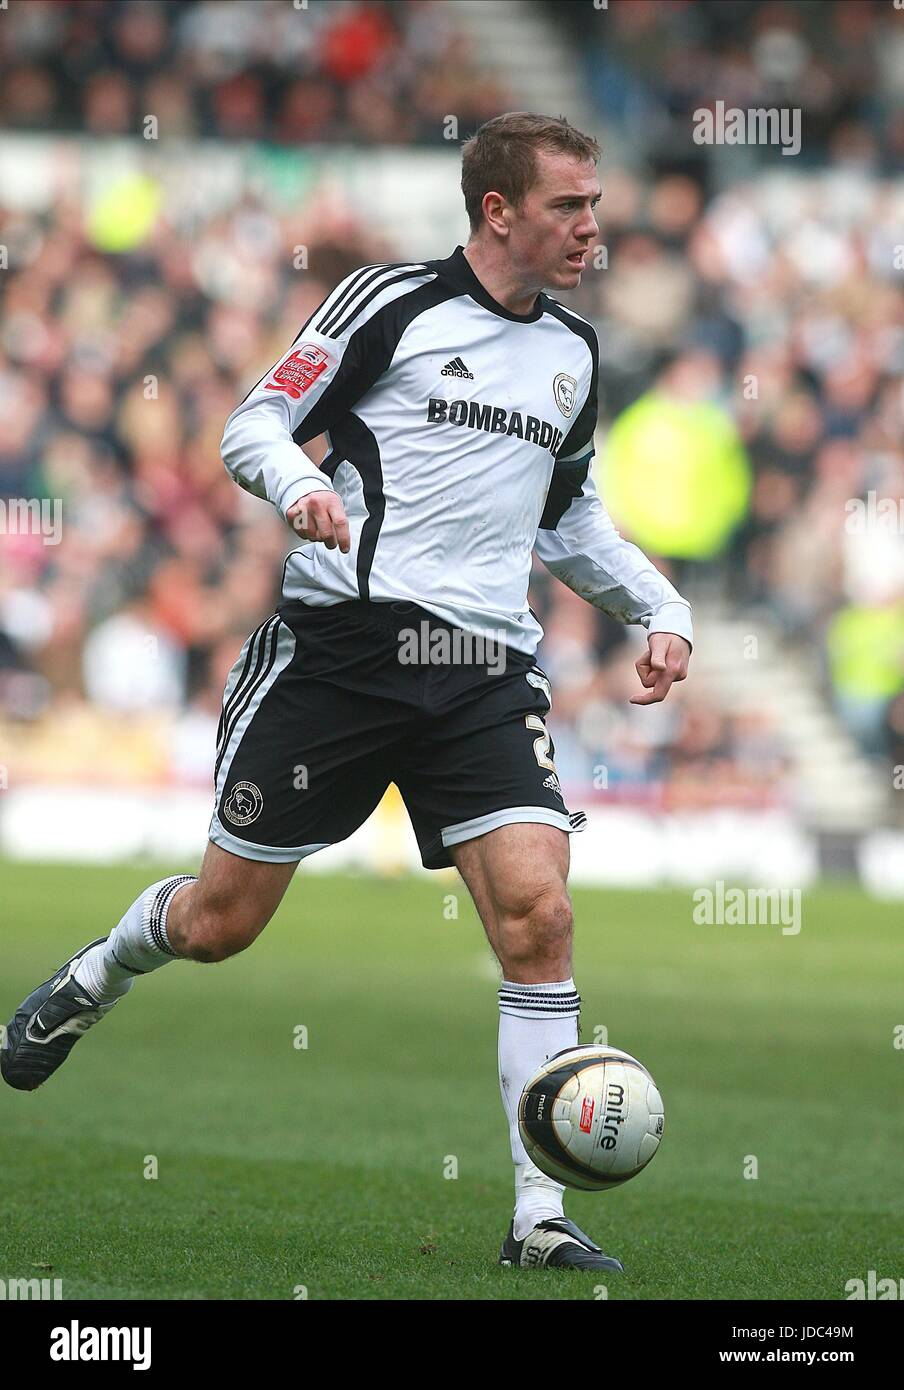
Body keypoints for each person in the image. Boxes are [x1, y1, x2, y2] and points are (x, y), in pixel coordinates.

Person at [2, 112, 692, 1273]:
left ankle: (539, 1215)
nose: (591, 226)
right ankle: (93, 974)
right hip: (340, 653)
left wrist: (659, 609)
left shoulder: (573, 354)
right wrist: (298, 489)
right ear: (498, 212)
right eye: (570, 205)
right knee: (221, 924)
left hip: (481, 670)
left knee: (540, 914)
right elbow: (253, 420)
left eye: (595, 204)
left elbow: (567, 519)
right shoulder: (389, 304)